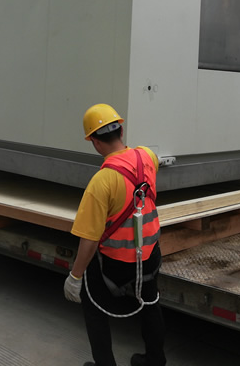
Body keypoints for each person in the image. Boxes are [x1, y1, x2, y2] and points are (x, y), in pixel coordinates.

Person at [65, 104, 166, 366]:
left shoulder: (101, 182)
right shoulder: (148, 156)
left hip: (116, 264)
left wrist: (75, 277)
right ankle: (155, 360)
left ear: (95, 142)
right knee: (150, 301)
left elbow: (89, 240)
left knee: (93, 305)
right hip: (150, 256)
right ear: (121, 131)